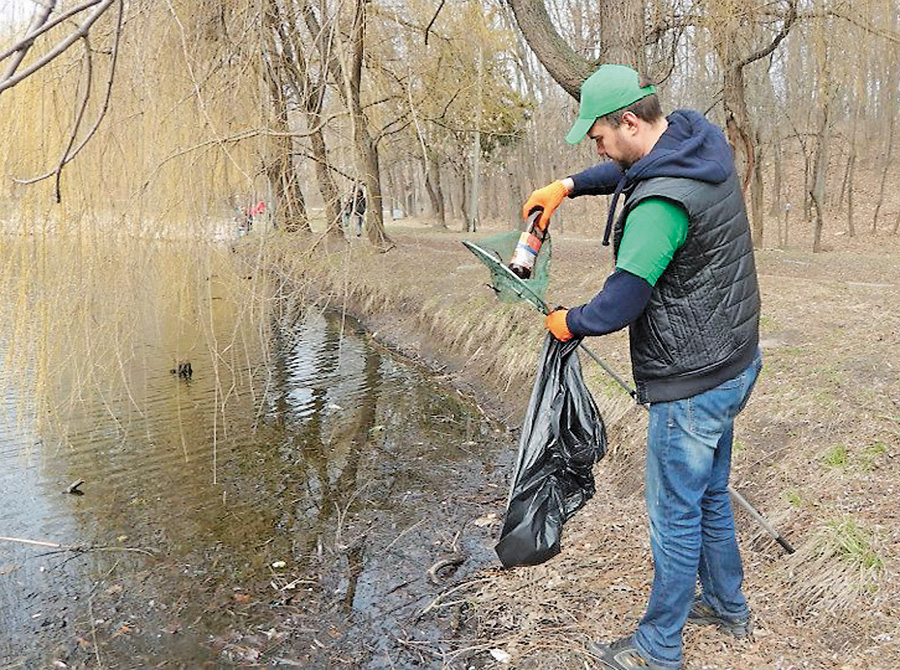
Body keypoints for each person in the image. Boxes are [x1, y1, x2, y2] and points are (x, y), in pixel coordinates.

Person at [524, 64, 761, 670]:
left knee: (675, 516)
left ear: (630, 122)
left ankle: (657, 649)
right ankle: (728, 608)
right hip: (733, 360)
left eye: (598, 137)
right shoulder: (692, 138)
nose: (597, 148)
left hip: (691, 382)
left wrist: (569, 322)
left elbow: (622, 301)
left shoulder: (661, 205)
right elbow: (629, 167)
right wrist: (568, 185)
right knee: (709, 494)